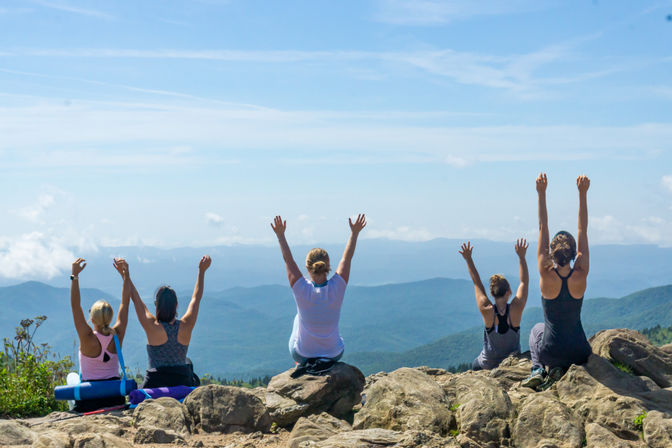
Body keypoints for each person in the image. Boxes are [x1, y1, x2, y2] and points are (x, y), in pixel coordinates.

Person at [522, 173, 593, 389]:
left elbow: (543, 227)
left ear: (551, 253)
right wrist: (582, 193)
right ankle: (556, 370)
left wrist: (541, 193)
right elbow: (582, 229)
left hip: (550, 351)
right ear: (574, 254)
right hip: (579, 352)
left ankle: (537, 369)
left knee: (536, 329)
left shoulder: (546, 273)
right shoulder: (580, 273)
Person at [271, 214, 366, 366]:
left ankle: (300, 364)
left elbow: (288, 260)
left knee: (298, 318)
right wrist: (354, 233)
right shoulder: (338, 286)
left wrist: (280, 235)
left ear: (308, 267)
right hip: (334, 354)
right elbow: (346, 259)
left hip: (302, 354)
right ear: (328, 267)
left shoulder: (301, 288)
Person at [126, 255, 211, 388]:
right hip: (182, 381)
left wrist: (126, 275)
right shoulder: (186, 325)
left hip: (154, 384)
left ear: (157, 306)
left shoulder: (152, 327)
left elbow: (136, 299)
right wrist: (201, 271)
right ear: (176, 305)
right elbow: (196, 298)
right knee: (187, 362)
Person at [70, 257, 130, 412]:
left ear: (91, 318)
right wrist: (125, 277)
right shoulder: (117, 335)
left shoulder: (86, 337)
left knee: (72, 379)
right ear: (110, 318)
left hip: (90, 401)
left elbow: (75, 306)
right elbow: (125, 304)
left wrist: (74, 276)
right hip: (115, 398)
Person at [459, 239, 529, 370]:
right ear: (509, 291)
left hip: (487, 365)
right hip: (512, 364)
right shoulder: (516, 308)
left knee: (475, 365)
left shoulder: (487, 310)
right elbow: (524, 282)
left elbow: (477, 283)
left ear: (491, 293)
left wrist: (468, 259)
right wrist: (521, 257)